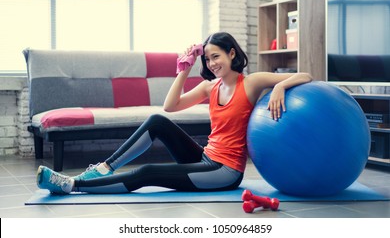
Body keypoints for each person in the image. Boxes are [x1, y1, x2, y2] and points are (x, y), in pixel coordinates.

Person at [36, 32, 312, 194]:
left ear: (231, 54)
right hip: (206, 156)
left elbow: (306, 75)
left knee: (148, 171)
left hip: (224, 171)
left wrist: (280, 87)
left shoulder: (250, 83)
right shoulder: (209, 87)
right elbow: (170, 106)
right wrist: (183, 69)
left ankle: (72, 185)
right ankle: (103, 169)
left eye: (217, 56)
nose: (212, 63)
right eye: (207, 59)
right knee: (158, 121)